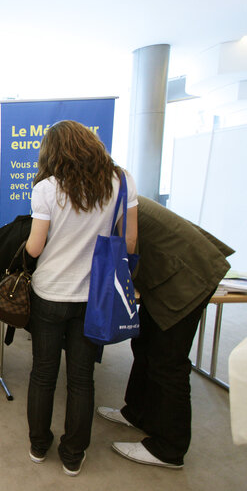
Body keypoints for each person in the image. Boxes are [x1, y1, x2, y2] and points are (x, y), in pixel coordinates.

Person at [24, 120, 138, 477]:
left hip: (49, 294)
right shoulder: (121, 182)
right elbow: (130, 243)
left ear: (53, 153)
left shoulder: (46, 189)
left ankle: (39, 445)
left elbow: (35, 246)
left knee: (43, 373)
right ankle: (73, 455)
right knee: (81, 377)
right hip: (95, 296)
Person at [98, 196, 233, 468]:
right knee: (145, 346)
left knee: (168, 362)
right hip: (169, 272)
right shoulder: (111, 191)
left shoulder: (108, 197)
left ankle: (169, 449)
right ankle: (138, 413)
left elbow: (125, 246)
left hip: (187, 274)